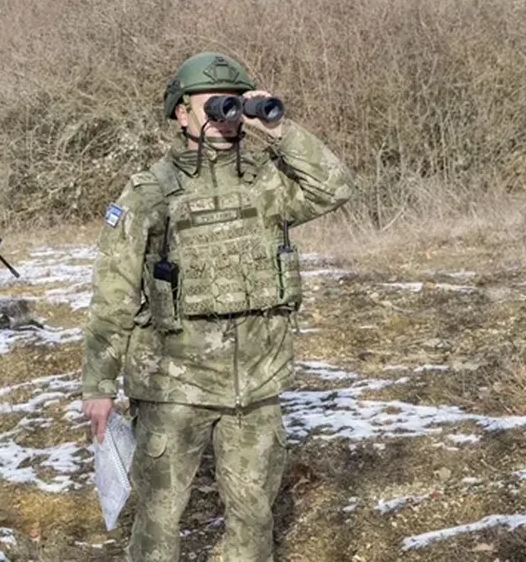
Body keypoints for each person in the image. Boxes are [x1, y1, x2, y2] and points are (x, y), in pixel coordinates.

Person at [81, 52, 354, 562]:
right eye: (215, 105)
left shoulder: (266, 182)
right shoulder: (150, 192)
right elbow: (113, 293)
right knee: (159, 517)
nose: (227, 117)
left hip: (256, 381)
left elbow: (336, 186)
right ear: (181, 113)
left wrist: (277, 129)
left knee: (254, 515)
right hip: (172, 385)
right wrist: (99, 385)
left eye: (235, 105)